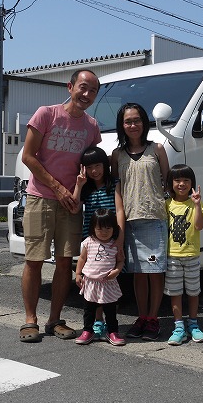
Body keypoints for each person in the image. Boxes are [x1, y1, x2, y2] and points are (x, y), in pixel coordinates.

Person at [19, 69, 101, 343]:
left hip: (71, 204)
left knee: (66, 262)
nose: (87, 95)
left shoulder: (92, 126)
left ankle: (55, 319)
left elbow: (92, 163)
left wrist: (78, 195)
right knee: (35, 260)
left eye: (92, 91)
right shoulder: (46, 114)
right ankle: (30, 320)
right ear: (70, 86)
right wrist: (57, 187)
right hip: (41, 197)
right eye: (83, 87)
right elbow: (28, 157)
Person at [112, 102, 169, 341]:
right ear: (122, 126)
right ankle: (141, 316)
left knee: (155, 272)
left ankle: (153, 318)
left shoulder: (157, 149)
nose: (133, 125)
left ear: (144, 123)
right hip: (131, 220)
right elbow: (117, 190)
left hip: (155, 218)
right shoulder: (117, 155)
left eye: (137, 120)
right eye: (128, 121)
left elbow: (168, 183)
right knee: (137, 273)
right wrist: (119, 225)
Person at [71, 146, 125, 340]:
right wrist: (78, 185)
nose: (95, 171)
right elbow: (75, 208)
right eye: (89, 167)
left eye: (98, 165)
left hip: (111, 238)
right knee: (93, 279)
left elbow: (119, 210)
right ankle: (97, 322)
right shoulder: (86, 188)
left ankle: (108, 324)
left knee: (108, 280)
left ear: (105, 165)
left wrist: (120, 238)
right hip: (92, 239)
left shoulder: (114, 184)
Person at [164, 164, 203, 345]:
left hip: (191, 255)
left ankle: (194, 324)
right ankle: (179, 327)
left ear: (192, 183)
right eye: (177, 180)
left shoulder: (196, 203)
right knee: (175, 292)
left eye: (186, 180)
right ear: (171, 183)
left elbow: (199, 226)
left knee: (193, 292)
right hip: (172, 255)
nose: (181, 184)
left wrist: (197, 205)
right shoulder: (167, 204)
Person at [74, 208, 125, 346]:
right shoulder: (88, 242)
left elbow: (121, 261)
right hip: (90, 282)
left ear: (114, 228)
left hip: (108, 283)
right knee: (89, 309)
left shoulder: (115, 244)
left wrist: (117, 271)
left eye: (108, 228)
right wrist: (78, 274)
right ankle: (87, 331)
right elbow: (82, 258)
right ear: (93, 228)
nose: (104, 232)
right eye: (100, 228)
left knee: (110, 310)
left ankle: (112, 331)